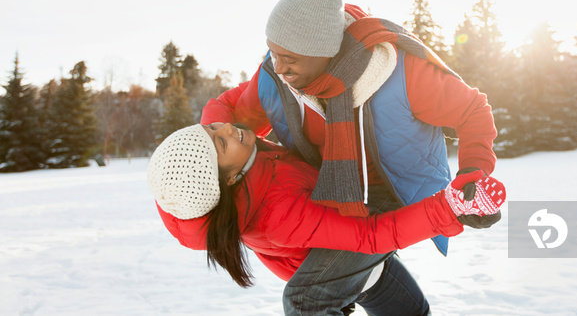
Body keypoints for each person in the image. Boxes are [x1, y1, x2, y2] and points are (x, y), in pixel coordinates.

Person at [201, 0, 501, 315]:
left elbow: (472, 110)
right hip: (329, 204)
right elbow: (229, 115)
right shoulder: (274, 77)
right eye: (273, 52)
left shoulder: (398, 73)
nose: (277, 66)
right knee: (364, 279)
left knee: (306, 301)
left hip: (392, 201)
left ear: (325, 51)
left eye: (290, 58)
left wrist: (474, 171)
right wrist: (204, 149)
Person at [148, 123, 506, 315]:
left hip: (354, 247)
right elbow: (369, 236)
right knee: (313, 300)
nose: (228, 129)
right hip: (344, 260)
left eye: (213, 128)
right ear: (227, 179)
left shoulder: (243, 163)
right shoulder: (278, 213)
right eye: (221, 144)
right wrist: (449, 207)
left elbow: (227, 106)